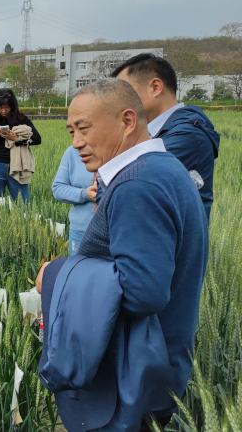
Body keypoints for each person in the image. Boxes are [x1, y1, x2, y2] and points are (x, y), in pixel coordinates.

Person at [36, 79, 208, 432]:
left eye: (83, 128)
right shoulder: (164, 167)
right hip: (156, 364)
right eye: (70, 131)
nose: (76, 142)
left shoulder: (135, 185)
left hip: (130, 379)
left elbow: (141, 291)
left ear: (128, 121)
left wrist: (54, 275)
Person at [111, 53, 220, 222]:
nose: (118, 103)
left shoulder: (188, 134)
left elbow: (128, 180)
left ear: (155, 87)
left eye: (125, 92)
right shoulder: (158, 131)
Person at [0, 88, 41, 202]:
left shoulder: (22, 120)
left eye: (7, 107)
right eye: (0, 107)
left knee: (24, 204)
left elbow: (37, 139)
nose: (4, 111)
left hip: (18, 166)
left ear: (13, 105)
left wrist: (16, 139)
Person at [51, 146, 97, 255]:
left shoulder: (122, 148)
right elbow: (58, 188)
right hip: (81, 230)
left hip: (118, 232)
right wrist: (85, 194)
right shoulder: (73, 151)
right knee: (78, 270)